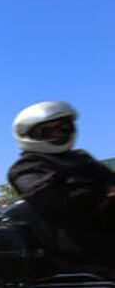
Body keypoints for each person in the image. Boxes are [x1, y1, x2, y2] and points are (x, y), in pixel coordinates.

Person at [7, 101, 115, 269]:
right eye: (46, 131)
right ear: (28, 134)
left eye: (63, 128)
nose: (57, 134)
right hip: (80, 251)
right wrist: (104, 195)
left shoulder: (80, 157)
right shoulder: (26, 168)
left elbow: (110, 179)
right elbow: (59, 203)